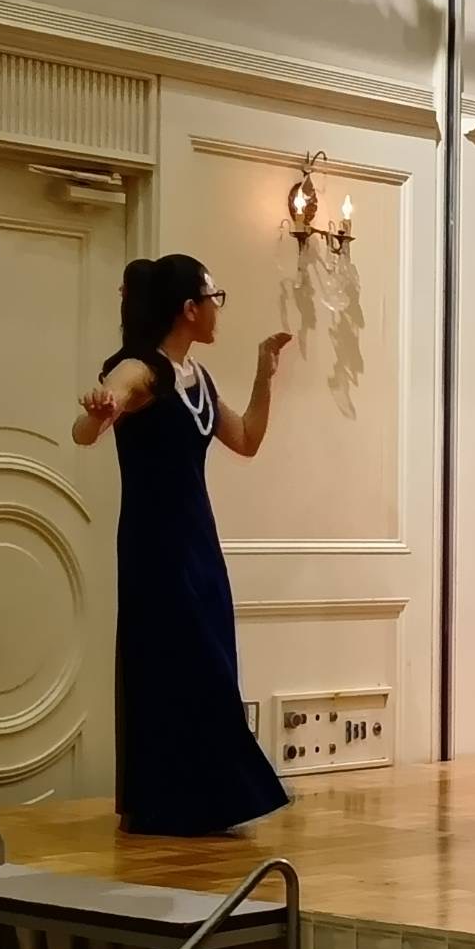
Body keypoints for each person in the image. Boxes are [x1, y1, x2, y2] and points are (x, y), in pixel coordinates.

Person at [72, 253, 292, 835]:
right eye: (214, 298)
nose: (219, 309)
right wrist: (99, 411)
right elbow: (89, 426)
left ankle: (204, 801)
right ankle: (167, 802)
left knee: (210, 662)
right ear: (189, 309)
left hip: (198, 541)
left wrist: (264, 373)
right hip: (156, 546)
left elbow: (246, 439)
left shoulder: (198, 378)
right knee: (178, 664)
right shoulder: (138, 368)